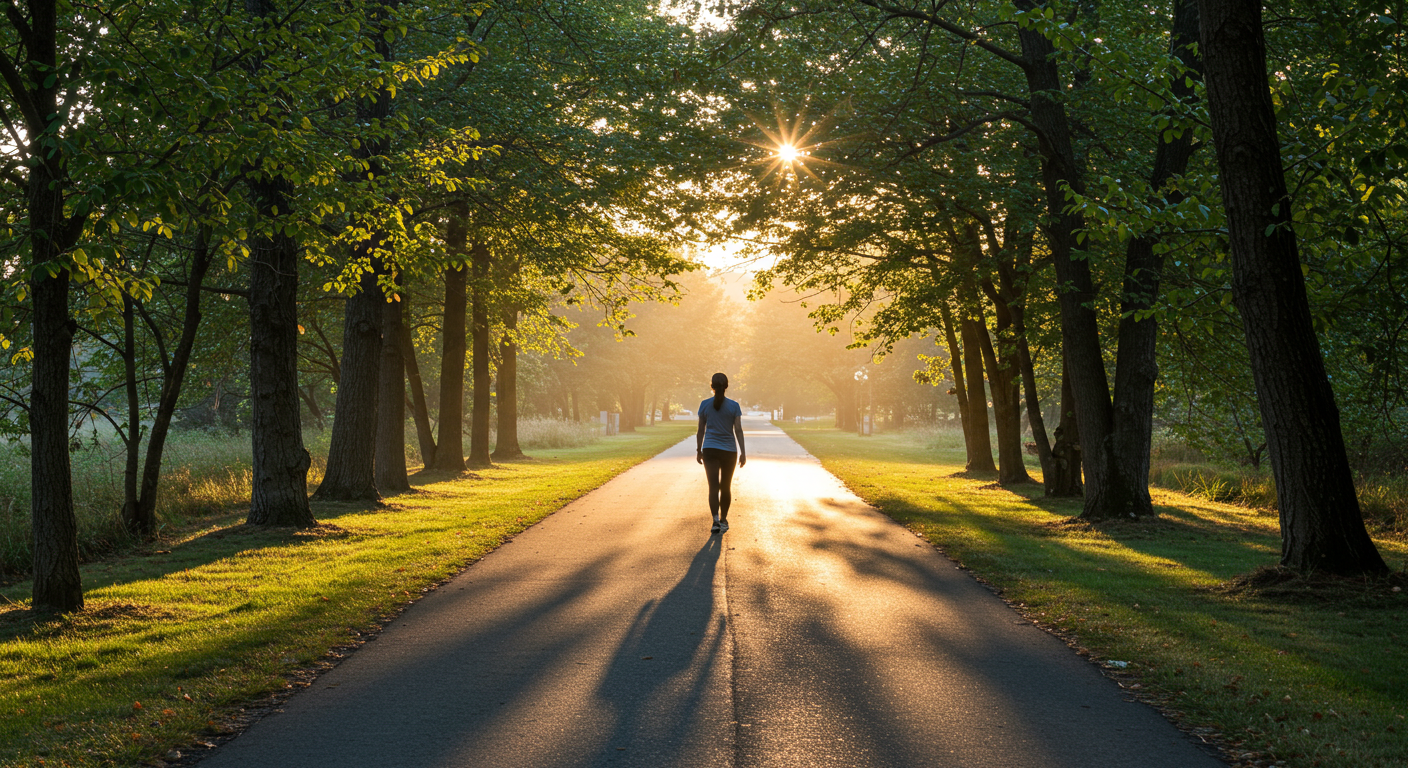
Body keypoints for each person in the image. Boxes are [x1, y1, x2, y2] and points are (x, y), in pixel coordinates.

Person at [696, 372, 746, 533]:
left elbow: (700, 430)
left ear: (712, 386)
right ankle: (724, 520)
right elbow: (738, 430)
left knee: (713, 487)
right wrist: (743, 452)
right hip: (729, 451)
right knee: (725, 487)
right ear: (726, 386)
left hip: (709, 449)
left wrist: (699, 450)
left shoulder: (704, 404)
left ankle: (715, 521)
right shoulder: (734, 406)